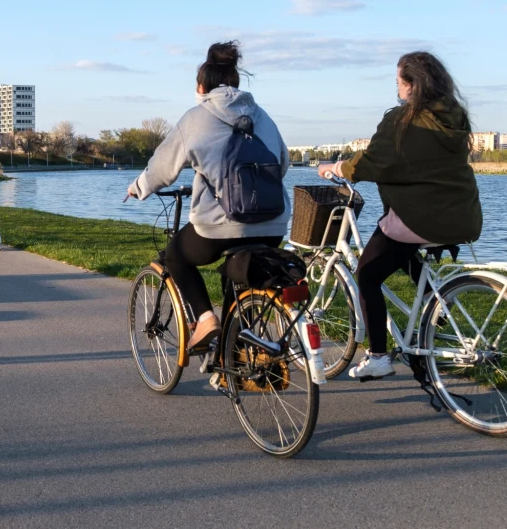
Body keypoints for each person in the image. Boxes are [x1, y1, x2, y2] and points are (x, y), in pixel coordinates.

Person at [318, 51, 482, 380]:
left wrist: (335, 167)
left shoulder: (403, 120)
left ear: (411, 85)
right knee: (400, 248)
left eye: (398, 82)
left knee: (367, 274)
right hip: (463, 215)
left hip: (422, 216)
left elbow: (373, 161)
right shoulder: (454, 117)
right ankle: (436, 303)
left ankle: (378, 357)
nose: (397, 88)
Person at [126, 41, 291, 349]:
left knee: (175, 255)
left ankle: (205, 318)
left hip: (219, 228)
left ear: (202, 87)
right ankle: (236, 348)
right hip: (273, 225)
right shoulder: (263, 117)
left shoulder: (196, 118)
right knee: (240, 274)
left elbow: (162, 169)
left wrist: (138, 188)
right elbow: (282, 164)